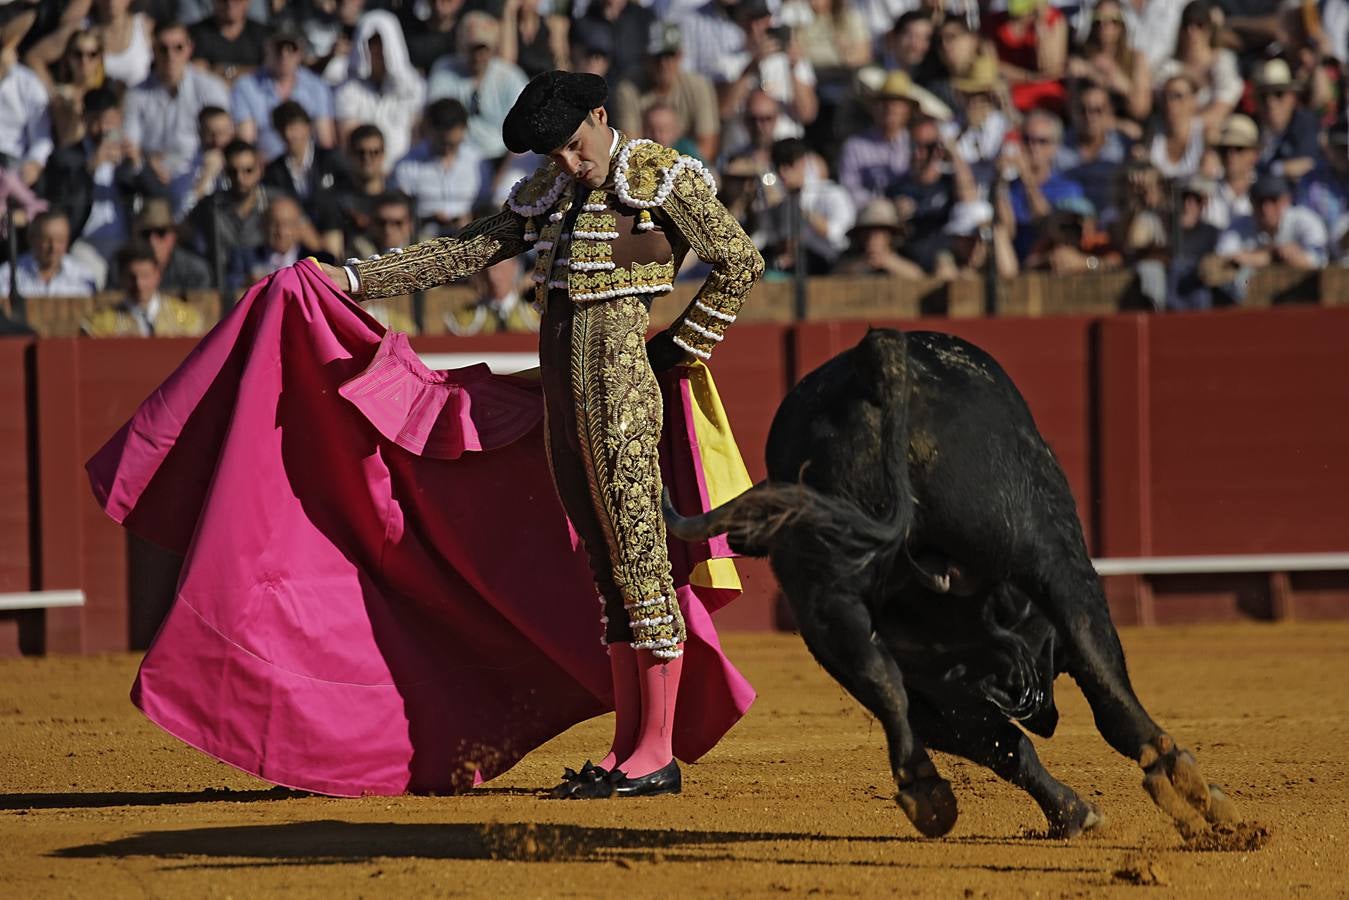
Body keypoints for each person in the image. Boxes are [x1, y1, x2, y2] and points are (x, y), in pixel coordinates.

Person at [320, 70, 763, 798]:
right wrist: (355, 280)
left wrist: (683, 347)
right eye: (552, 155)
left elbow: (738, 261)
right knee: (607, 572)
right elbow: (465, 251)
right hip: (565, 409)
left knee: (642, 566)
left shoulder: (660, 176)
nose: (565, 163)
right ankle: (626, 747)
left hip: (622, 405)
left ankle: (655, 751)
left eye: (571, 146)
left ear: (599, 113)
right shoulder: (550, 192)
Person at [391, 97, 484, 238]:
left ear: (464, 129)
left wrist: (471, 218)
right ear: (429, 129)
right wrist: (429, 219)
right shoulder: (407, 165)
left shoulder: (478, 163)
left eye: (453, 144)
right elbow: (397, 211)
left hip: (470, 237)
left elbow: (486, 205)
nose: (447, 150)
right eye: (442, 143)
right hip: (422, 238)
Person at [80, 240, 205, 337]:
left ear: (158, 275)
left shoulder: (186, 320)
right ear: (121, 277)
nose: (139, 284)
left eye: (145, 276)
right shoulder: (100, 326)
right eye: (131, 277)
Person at [0, 210, 99, 298]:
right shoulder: (6, 275)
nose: (54, 247)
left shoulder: (84, 277)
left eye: (60, 240)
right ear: (31, 239)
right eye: (47, 241)